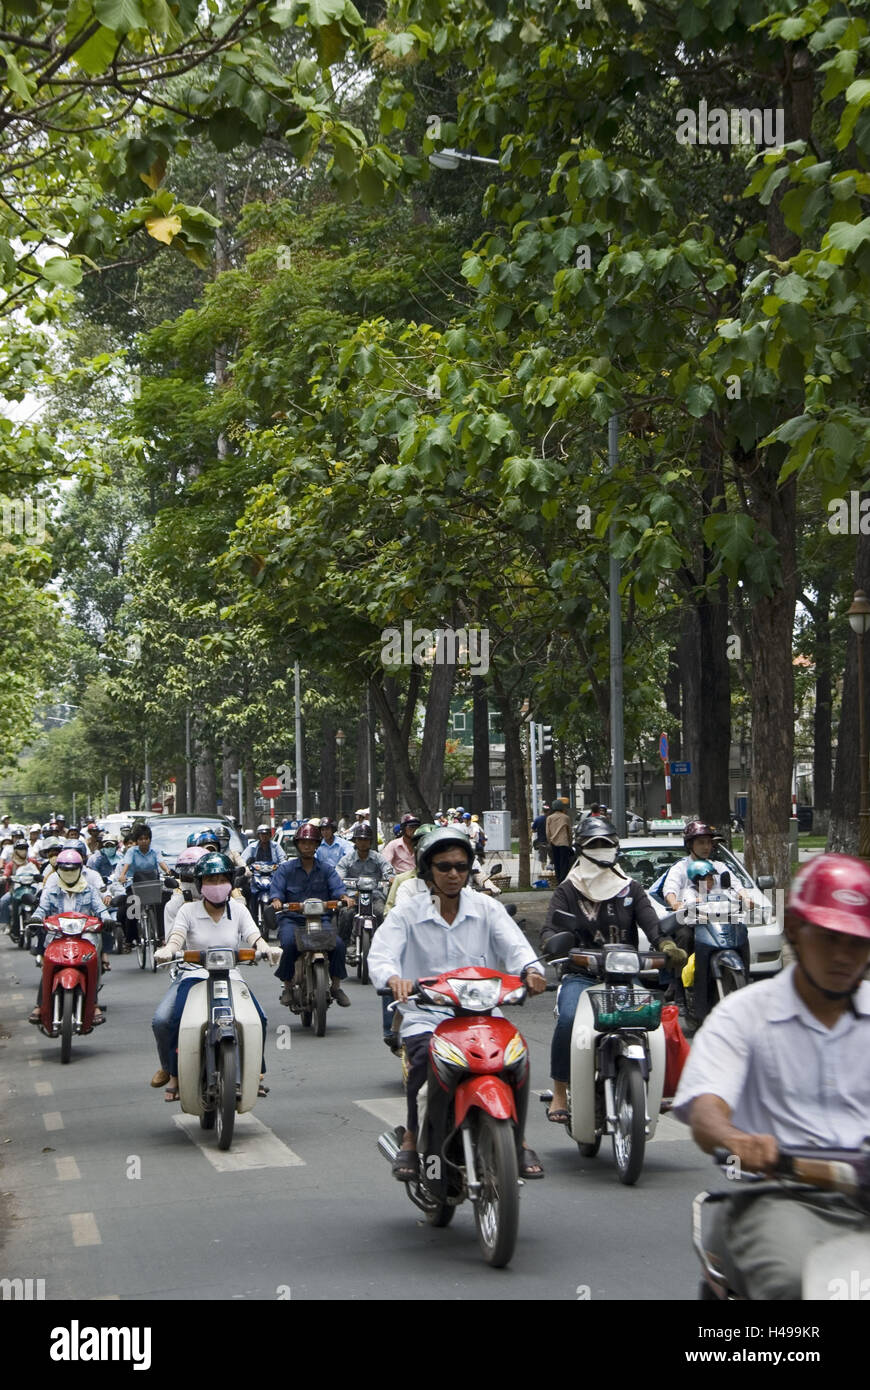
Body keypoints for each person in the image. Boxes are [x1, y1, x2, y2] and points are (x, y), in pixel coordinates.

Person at [674, 854, 870, 1300]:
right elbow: (707, 1112)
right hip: (780, 1195)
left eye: (857, 943)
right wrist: (738, 1139)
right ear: (797, 932)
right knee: (803, 1285)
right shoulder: (744, 1014)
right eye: (830, 938)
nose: (844, 956)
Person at [368, 826, 547, 1181]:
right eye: (444, 867)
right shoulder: (407, 912)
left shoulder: (487, 908)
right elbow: (382, 954)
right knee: (421, 1060)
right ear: (427, 870)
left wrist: (531, 971)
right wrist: (394, 979)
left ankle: (519, 1138)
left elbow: (516, 948)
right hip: (427, 1016)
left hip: (482, 1016)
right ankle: (410, 1139)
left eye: (461, 867)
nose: (453, 874)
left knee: (517, 1060)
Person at [540, 816, 685, 1125]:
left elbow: (654, 927)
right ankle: (560, 1092)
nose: (602, 850)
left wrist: (667, 946)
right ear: (581, 849)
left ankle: (654, 1088)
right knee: (567, 1021)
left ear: (616, 848)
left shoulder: (631, 889)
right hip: (581, 974)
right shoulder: (568, 890)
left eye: (607, 844)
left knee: (655, 1024)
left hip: (624, 974)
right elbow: (549, 929)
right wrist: (555, 943)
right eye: (594, 844)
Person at [151, 852, 276, 1101]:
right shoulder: (187, 911)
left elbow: (254, 936)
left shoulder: (238, 910)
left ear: (231, 882)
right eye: (210, 880)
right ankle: (172, 1069)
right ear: (200, 884)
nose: (217, 885)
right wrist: (169, 950)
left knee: (259, 1018)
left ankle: (255, 1073)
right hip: (192, 975)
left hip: (231, 976)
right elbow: (176, 937)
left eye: (222, 879)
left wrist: (265, 948)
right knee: (164, 1020)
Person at [269, 822, 350, 1008]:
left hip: (321, 918)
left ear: (317, 845)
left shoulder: (326, 869)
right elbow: (277, 891)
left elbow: (337, 887)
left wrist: (344, 897)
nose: (307, 846)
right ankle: (288, 987)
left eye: (311, 842)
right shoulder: (286, 869)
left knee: (337, 945)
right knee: (289, 944)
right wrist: (276, 900)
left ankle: (336, 986)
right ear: (297, 845)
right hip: (292, 919)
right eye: (303, 842)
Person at [28, 850, 111, 1024]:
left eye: (73, 869)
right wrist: (36, 918)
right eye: (65, 870)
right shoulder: (51, 889)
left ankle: (93, 1003)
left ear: (80, 869)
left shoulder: (89, 889)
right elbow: (42, 908)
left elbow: (101, 909)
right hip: (58, 935)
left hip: (85, 936)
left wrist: (108, 919)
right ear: (58, 870)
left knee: (92, 961)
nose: (69, 873)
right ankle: (40, 1004)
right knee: (48, 963)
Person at [660, 820, 753, 911]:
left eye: (709, 842)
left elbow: (736, 885)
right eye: (701, 842)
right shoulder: (680, 868)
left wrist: (746, 898)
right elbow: (670, 889)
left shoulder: (719, 866)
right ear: (689, 845)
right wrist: (674, 903)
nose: (706, 847)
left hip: (722, 918)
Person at [335, 822, 394, 961]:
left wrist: (390, 878)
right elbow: (338, 875)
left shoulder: (378, 857)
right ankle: (344, 947)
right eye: (360, 839)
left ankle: (384, 947)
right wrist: (341, 882)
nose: (363, 843)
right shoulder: (347, 859)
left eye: (366, 839)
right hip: (353, 898)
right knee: (346, 914)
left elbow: (389, 871)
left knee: (382, 913)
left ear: (370, 841)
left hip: (374, 896)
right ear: (355, 841)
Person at [546, 799, 574, 883]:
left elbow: (548, 832)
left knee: (556, 863)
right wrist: (570, 842)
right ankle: (563, 880)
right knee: (564, 863)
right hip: (564, 843)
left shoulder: (549, 818)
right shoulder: (566, 817)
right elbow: (569, 832)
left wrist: (549, 841)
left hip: (554, 843)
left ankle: (558, 880)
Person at [531, 804, 550, 871]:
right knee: (552, 858)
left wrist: (538, 830)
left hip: (542, 842)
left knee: (543, 859)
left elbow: (533, 830)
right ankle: (551, 871)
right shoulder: (550, 819)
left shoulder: (538, 819)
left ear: (542, 811)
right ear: (548, 811)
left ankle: (544, 871)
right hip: (551, 841)